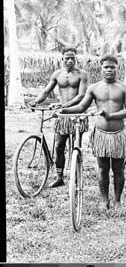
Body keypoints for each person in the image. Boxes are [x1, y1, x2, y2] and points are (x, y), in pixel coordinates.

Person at [59, 54, 126, 210]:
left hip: (119, 134)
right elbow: (81, 107)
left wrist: (111, 115)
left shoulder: (124, 87)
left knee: (119, 169)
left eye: (112, 67)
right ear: (101, 68)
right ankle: (104, 200)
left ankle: (117, 201)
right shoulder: (94, 88)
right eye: (106, 67)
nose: (109, 70)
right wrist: (63, 110)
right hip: (100, 135)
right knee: (102, 169)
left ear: (117, 68)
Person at [29, 46, 88, 187]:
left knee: (76, 146)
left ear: (76, 59)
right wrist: (36, 101)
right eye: (67, 58)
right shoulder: (57, 74)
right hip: (62, 116)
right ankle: (59, 177)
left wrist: (64, 106)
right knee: (59, 146)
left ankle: (76, 175)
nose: (70, 60)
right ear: (62, 59)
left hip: (77, 114)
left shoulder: (82, 74)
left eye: (72, 58)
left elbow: (81, 95)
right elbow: (45, 91)